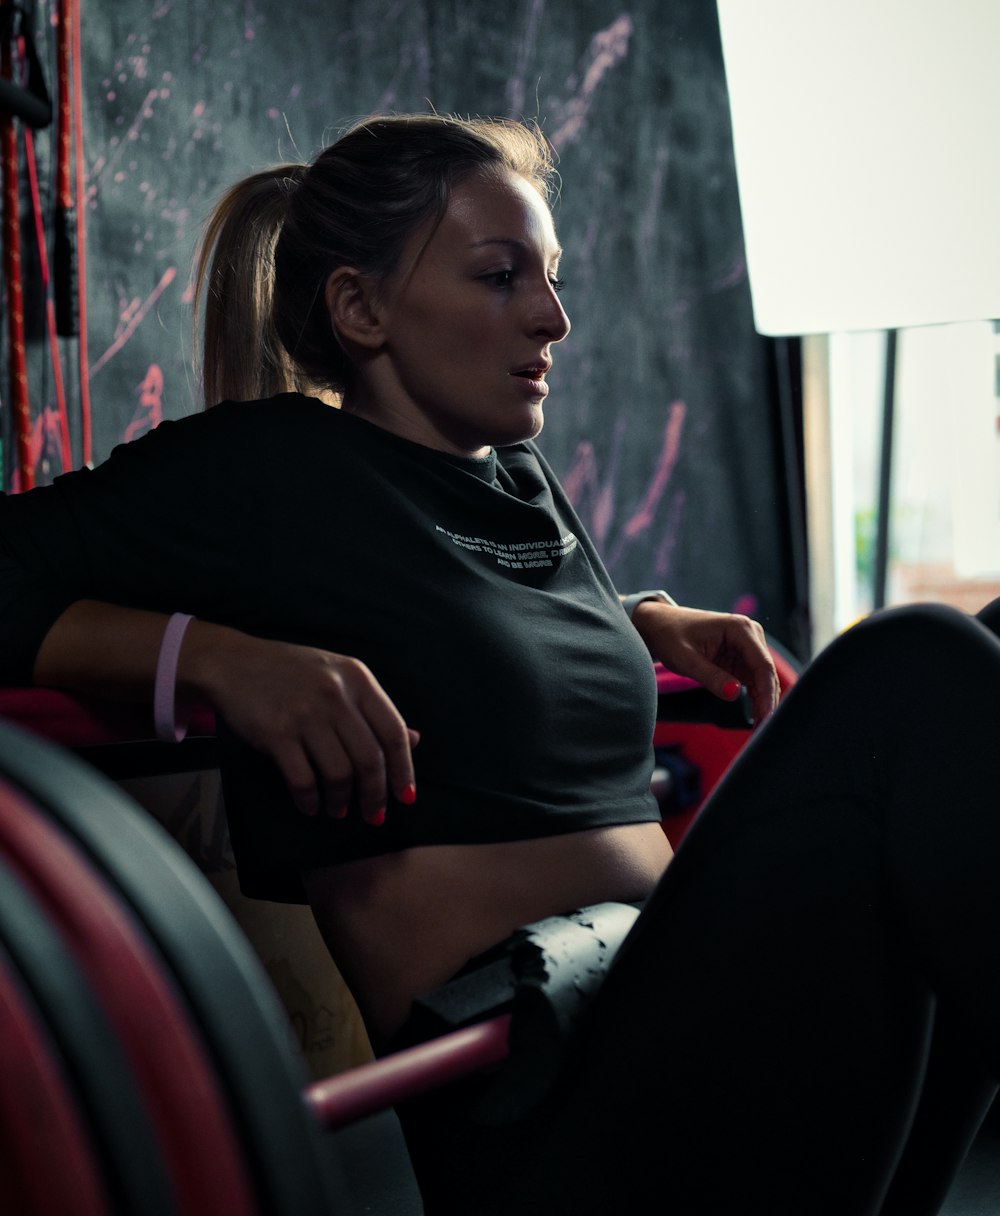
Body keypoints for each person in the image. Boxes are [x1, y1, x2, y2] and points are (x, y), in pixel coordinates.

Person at [0, 113, 998, 1215]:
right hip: (552, 1109)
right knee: (911, 661)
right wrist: (215, 659)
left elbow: (452, 624)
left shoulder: (516, 479)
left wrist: (636, 619)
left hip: (683, 1028)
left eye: (552, 277)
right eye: (499, 276)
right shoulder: (272, 470)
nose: (554, 317)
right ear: (359, 307)